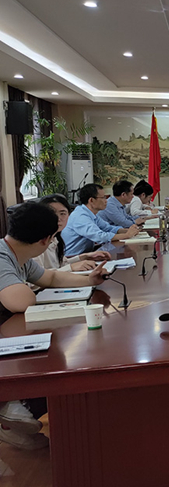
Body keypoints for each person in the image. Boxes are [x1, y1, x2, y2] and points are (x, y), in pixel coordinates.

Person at [0, 202, 108, 450]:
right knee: (50, 352)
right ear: (45, 240)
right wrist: (26, 288)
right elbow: (19, 301)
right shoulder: (2, 256)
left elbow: (50, 277)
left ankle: (16, 411)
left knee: (53, 348)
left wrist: (88, 280)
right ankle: (12, 404)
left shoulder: (17, 254)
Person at [35, 195, 111, 271]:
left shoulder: (55, 239)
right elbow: (37, 276)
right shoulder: (35, 242)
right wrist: (71, 267)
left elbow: (62, 264)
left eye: (62, 214)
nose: (58, 218)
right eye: (51, 213)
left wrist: (84, 257)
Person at [62, 184, 140, 256]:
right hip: (72, 258)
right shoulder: (80, 216)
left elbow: (108, 228)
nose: (106, 201)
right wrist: (126, 235)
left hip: (86, 254)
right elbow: (99, 236)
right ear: (91, 200)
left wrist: (127, 231)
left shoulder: (92, 214)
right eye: (103, 198)